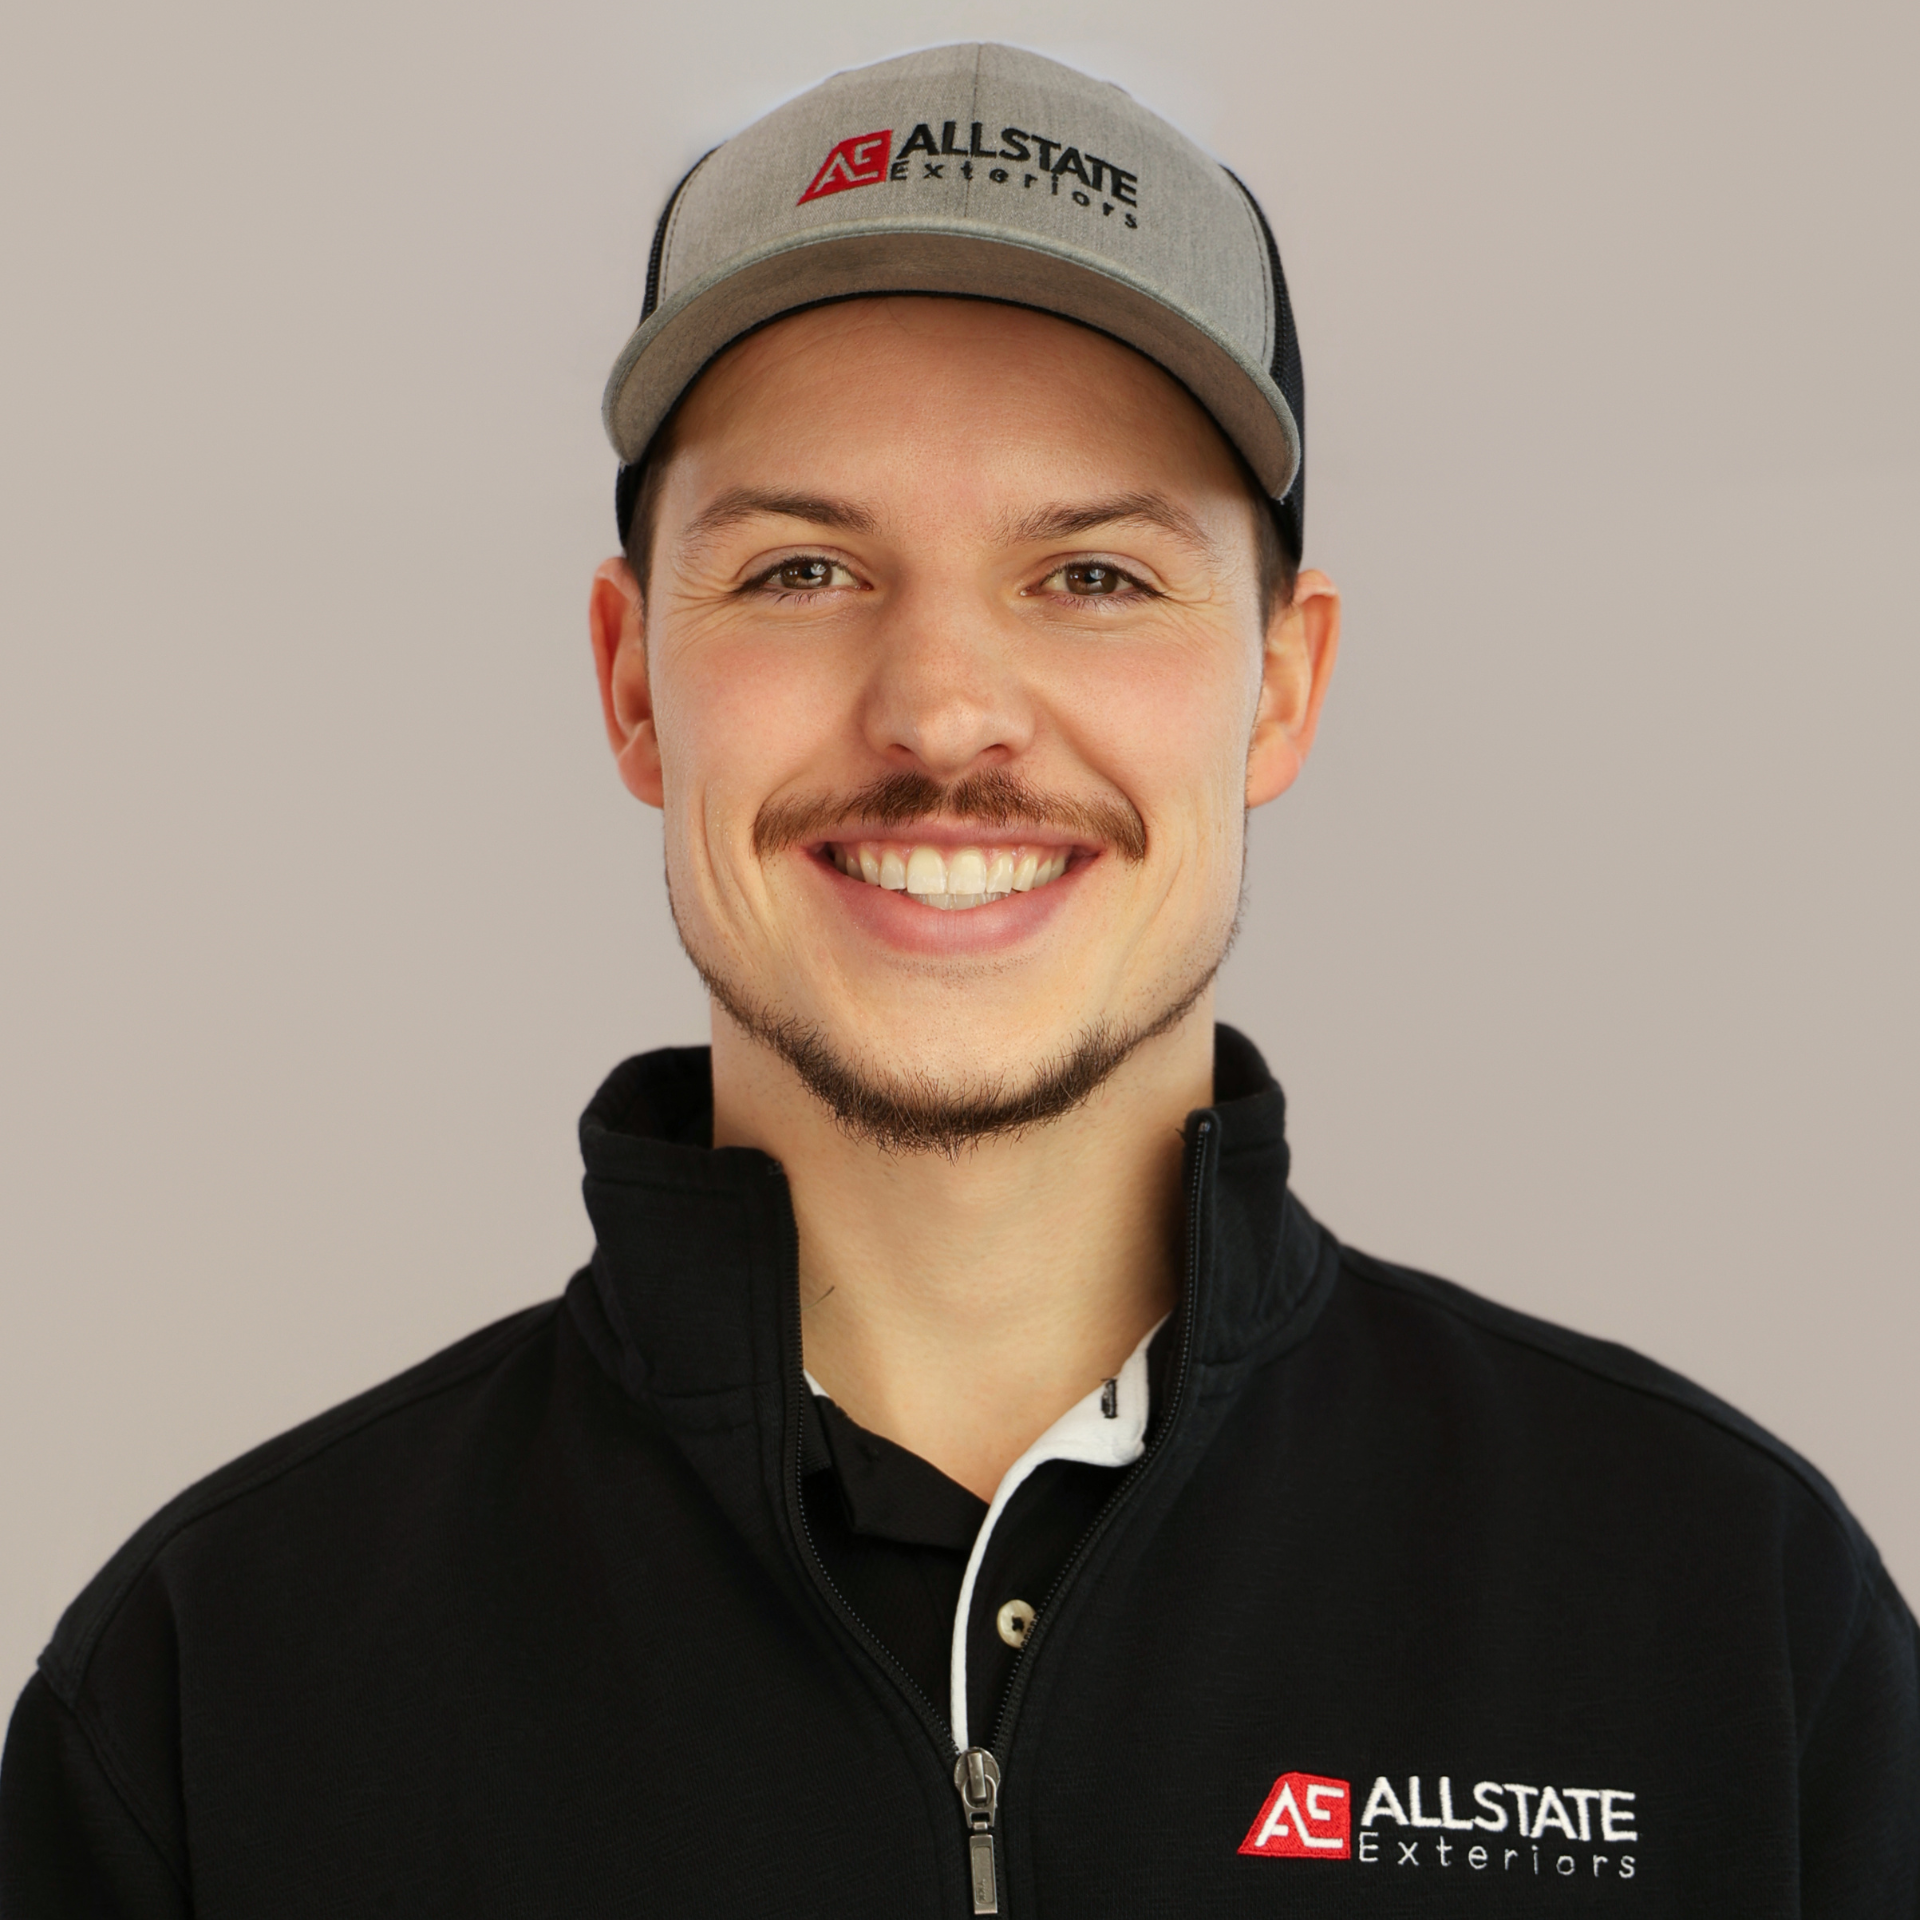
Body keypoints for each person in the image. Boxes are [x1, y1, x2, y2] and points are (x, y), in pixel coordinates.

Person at [2, 41, 1914, 1917]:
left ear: (1283, 684)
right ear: (632, 681)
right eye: (802, 572)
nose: (941, 712)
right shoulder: (217, 1697)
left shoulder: (1727, 1618)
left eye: (1091, 575)